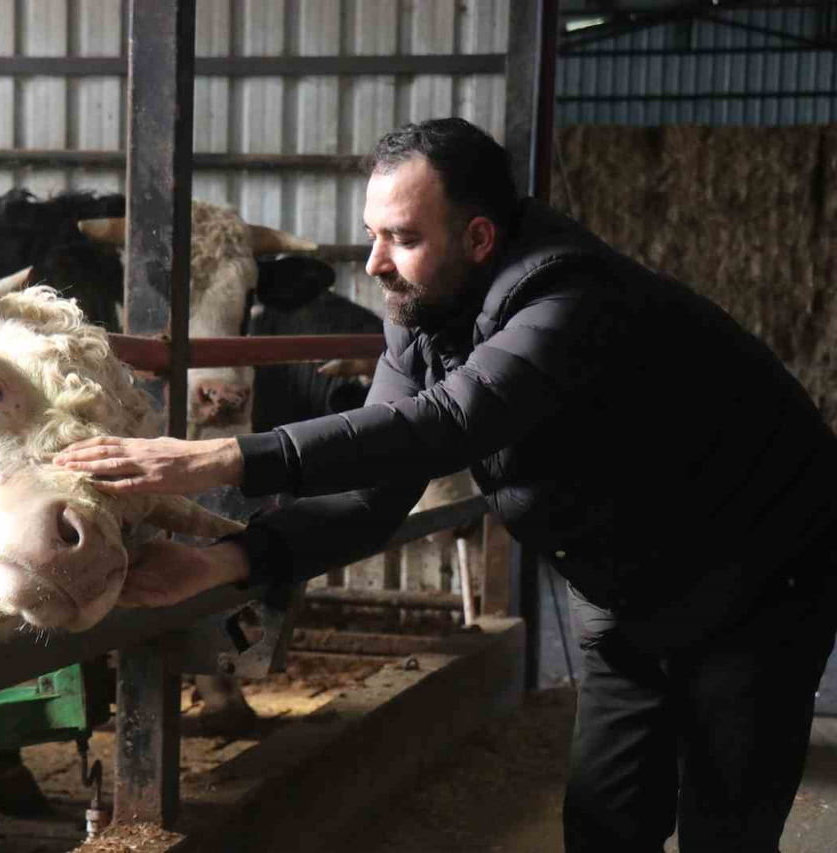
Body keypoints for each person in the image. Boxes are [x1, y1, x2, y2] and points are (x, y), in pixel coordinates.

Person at [54, 117, 837, 852]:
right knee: (603, 818)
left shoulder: (569, 296)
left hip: (756, 577)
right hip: (622, 585)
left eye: (401, 237)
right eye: (372, 235)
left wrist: (220, 457)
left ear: (479, 237)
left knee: (723, 826)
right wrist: (229, 560)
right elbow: (375, 491)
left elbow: (449, 421)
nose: (373, 264)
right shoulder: (421, 309)